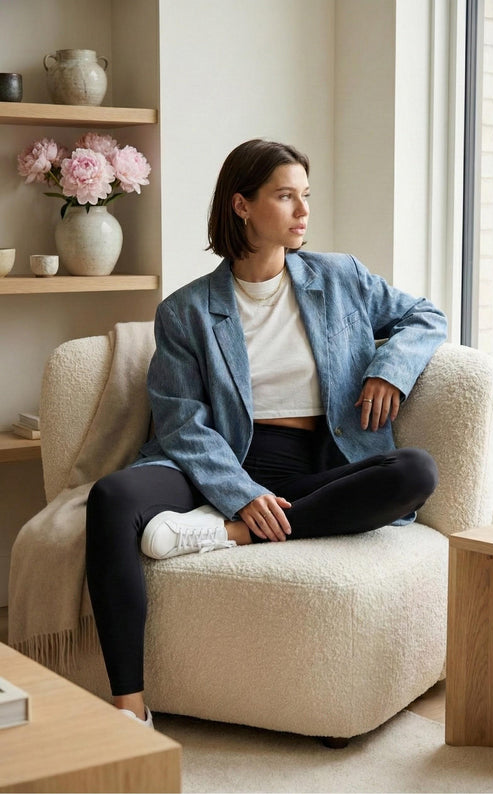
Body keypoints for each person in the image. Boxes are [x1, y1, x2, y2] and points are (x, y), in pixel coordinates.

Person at [86, 138, 448, 727]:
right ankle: (128, 708)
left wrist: (390, 369)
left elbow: (426, 316)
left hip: (318, 465)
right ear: (242, 205)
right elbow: (181, 421)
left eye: (306, 195)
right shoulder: (186, 310)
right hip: (221, 458)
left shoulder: (341, 277)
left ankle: (229, 535)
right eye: (285, 197)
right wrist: (239, 492)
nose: (304, 210)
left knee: (414, 472)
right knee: (111, 497)